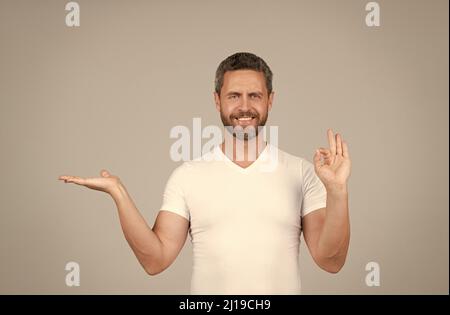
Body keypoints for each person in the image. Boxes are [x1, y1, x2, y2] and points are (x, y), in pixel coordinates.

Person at [58, 52, 351, 294]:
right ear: (217, 100)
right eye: (234, 96)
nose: (245, 107)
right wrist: (118, 193)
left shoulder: (301, 173)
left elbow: (331, 261)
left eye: (255, 96)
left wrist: (337, 191)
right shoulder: (188, 176)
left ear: (270, 101)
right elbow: (155, 260)